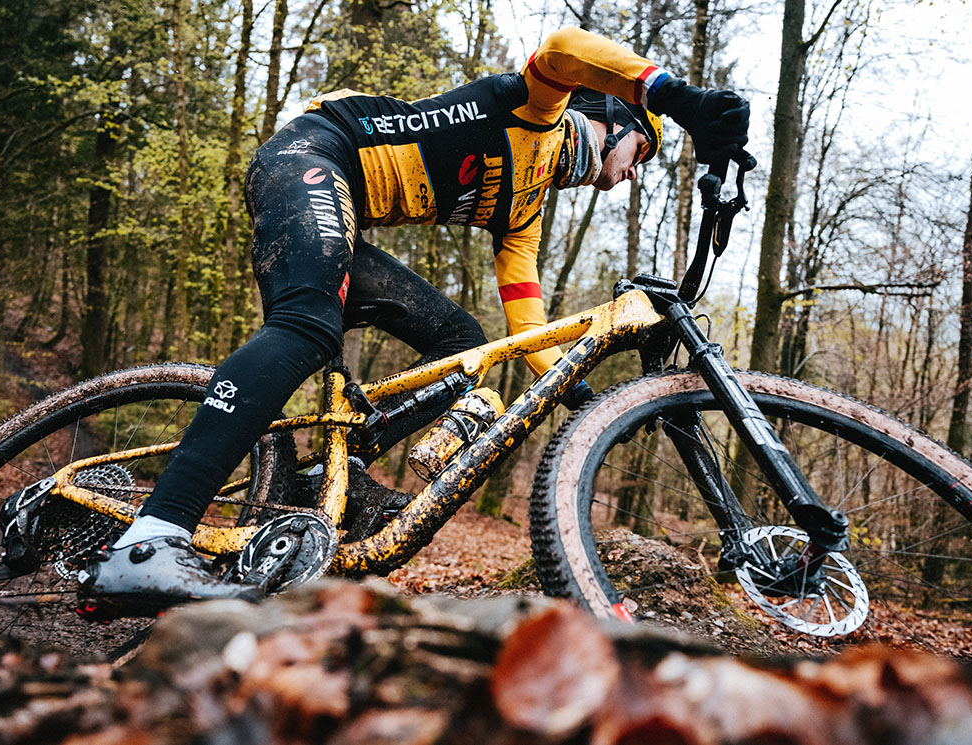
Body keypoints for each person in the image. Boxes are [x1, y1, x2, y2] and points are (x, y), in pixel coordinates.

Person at [77, 26, 750, 611]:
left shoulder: (525, 210)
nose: (634, 175)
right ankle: (152, 537)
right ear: (616, 124)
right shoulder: (537, 111)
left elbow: (527, 324)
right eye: (643, 154)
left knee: (464, 346)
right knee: (307, 325)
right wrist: (680, 101)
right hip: (311, 158)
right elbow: (565, 48)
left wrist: (579, 393)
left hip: (340, 207)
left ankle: (318, 476)